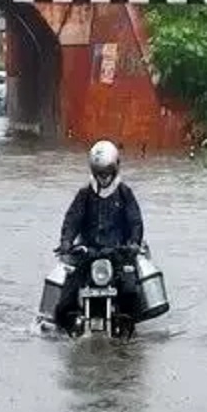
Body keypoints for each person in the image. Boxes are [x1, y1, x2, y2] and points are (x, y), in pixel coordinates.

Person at [54, 140, 145, 333]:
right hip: (88, 253)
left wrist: (134, 243)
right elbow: (72, 220)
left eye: (108, 172)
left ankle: (128, 329)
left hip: (118, 254)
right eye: (100, 172)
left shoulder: (124, 193)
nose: (104, 177)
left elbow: (135, 222)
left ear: (116, 169)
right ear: (93, 171)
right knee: (64, 304)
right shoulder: (85, 194)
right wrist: (66, 242)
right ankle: (69, 329)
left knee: (131, 293)